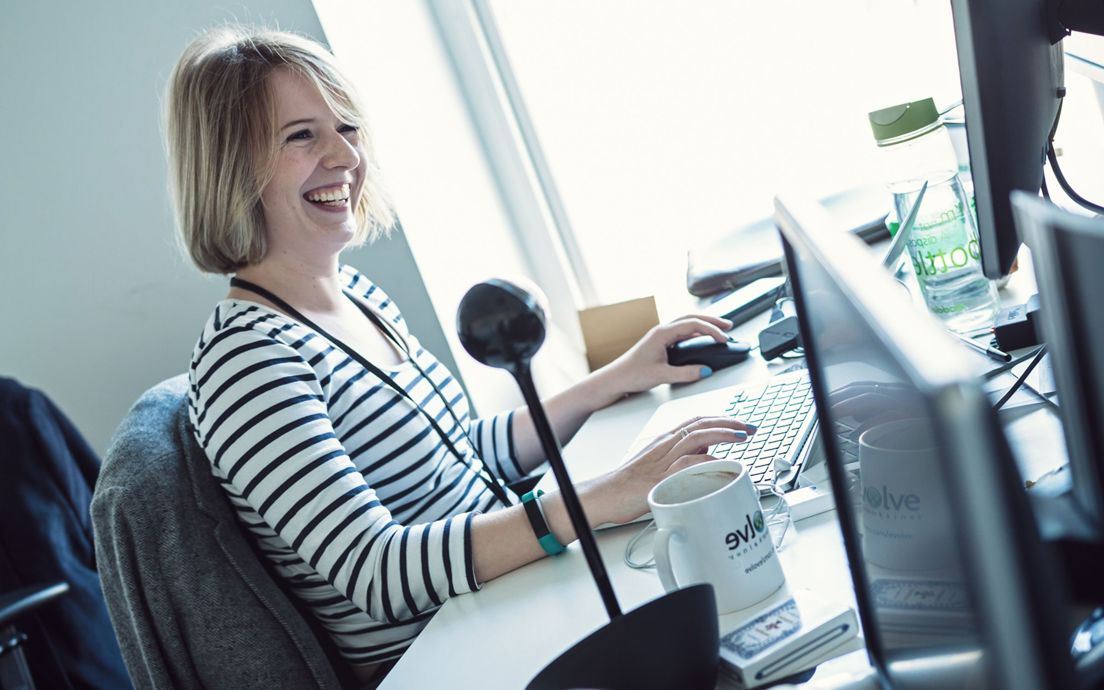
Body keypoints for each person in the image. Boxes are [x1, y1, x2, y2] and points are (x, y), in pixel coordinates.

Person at [168, 25, 753, 685]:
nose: (344, 156)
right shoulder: (246, 360)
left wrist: (611, 382)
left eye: (347, 127)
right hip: (447, 656)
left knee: (729, 588)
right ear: (228, 164)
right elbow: (376, 570)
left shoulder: (354, 294)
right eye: (301, 136)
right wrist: (600, 497)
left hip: (499, 604)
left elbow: (454, 456)